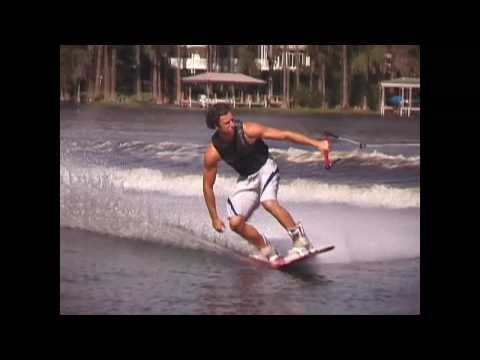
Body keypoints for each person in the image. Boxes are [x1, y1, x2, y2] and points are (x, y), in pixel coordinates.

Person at [202, 104, 331, 264]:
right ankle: (267, 250)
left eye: (233, 120)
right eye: (227, 123)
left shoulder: (249, 130)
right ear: (217, 126)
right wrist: (214, 217)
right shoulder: (213, 152)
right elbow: (207, 186)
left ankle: (302, 241)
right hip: (247, 178)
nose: (232, 124)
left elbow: (285, 135)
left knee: (268, 202)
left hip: (266, 168)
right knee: (235, 223)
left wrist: (317, 144)